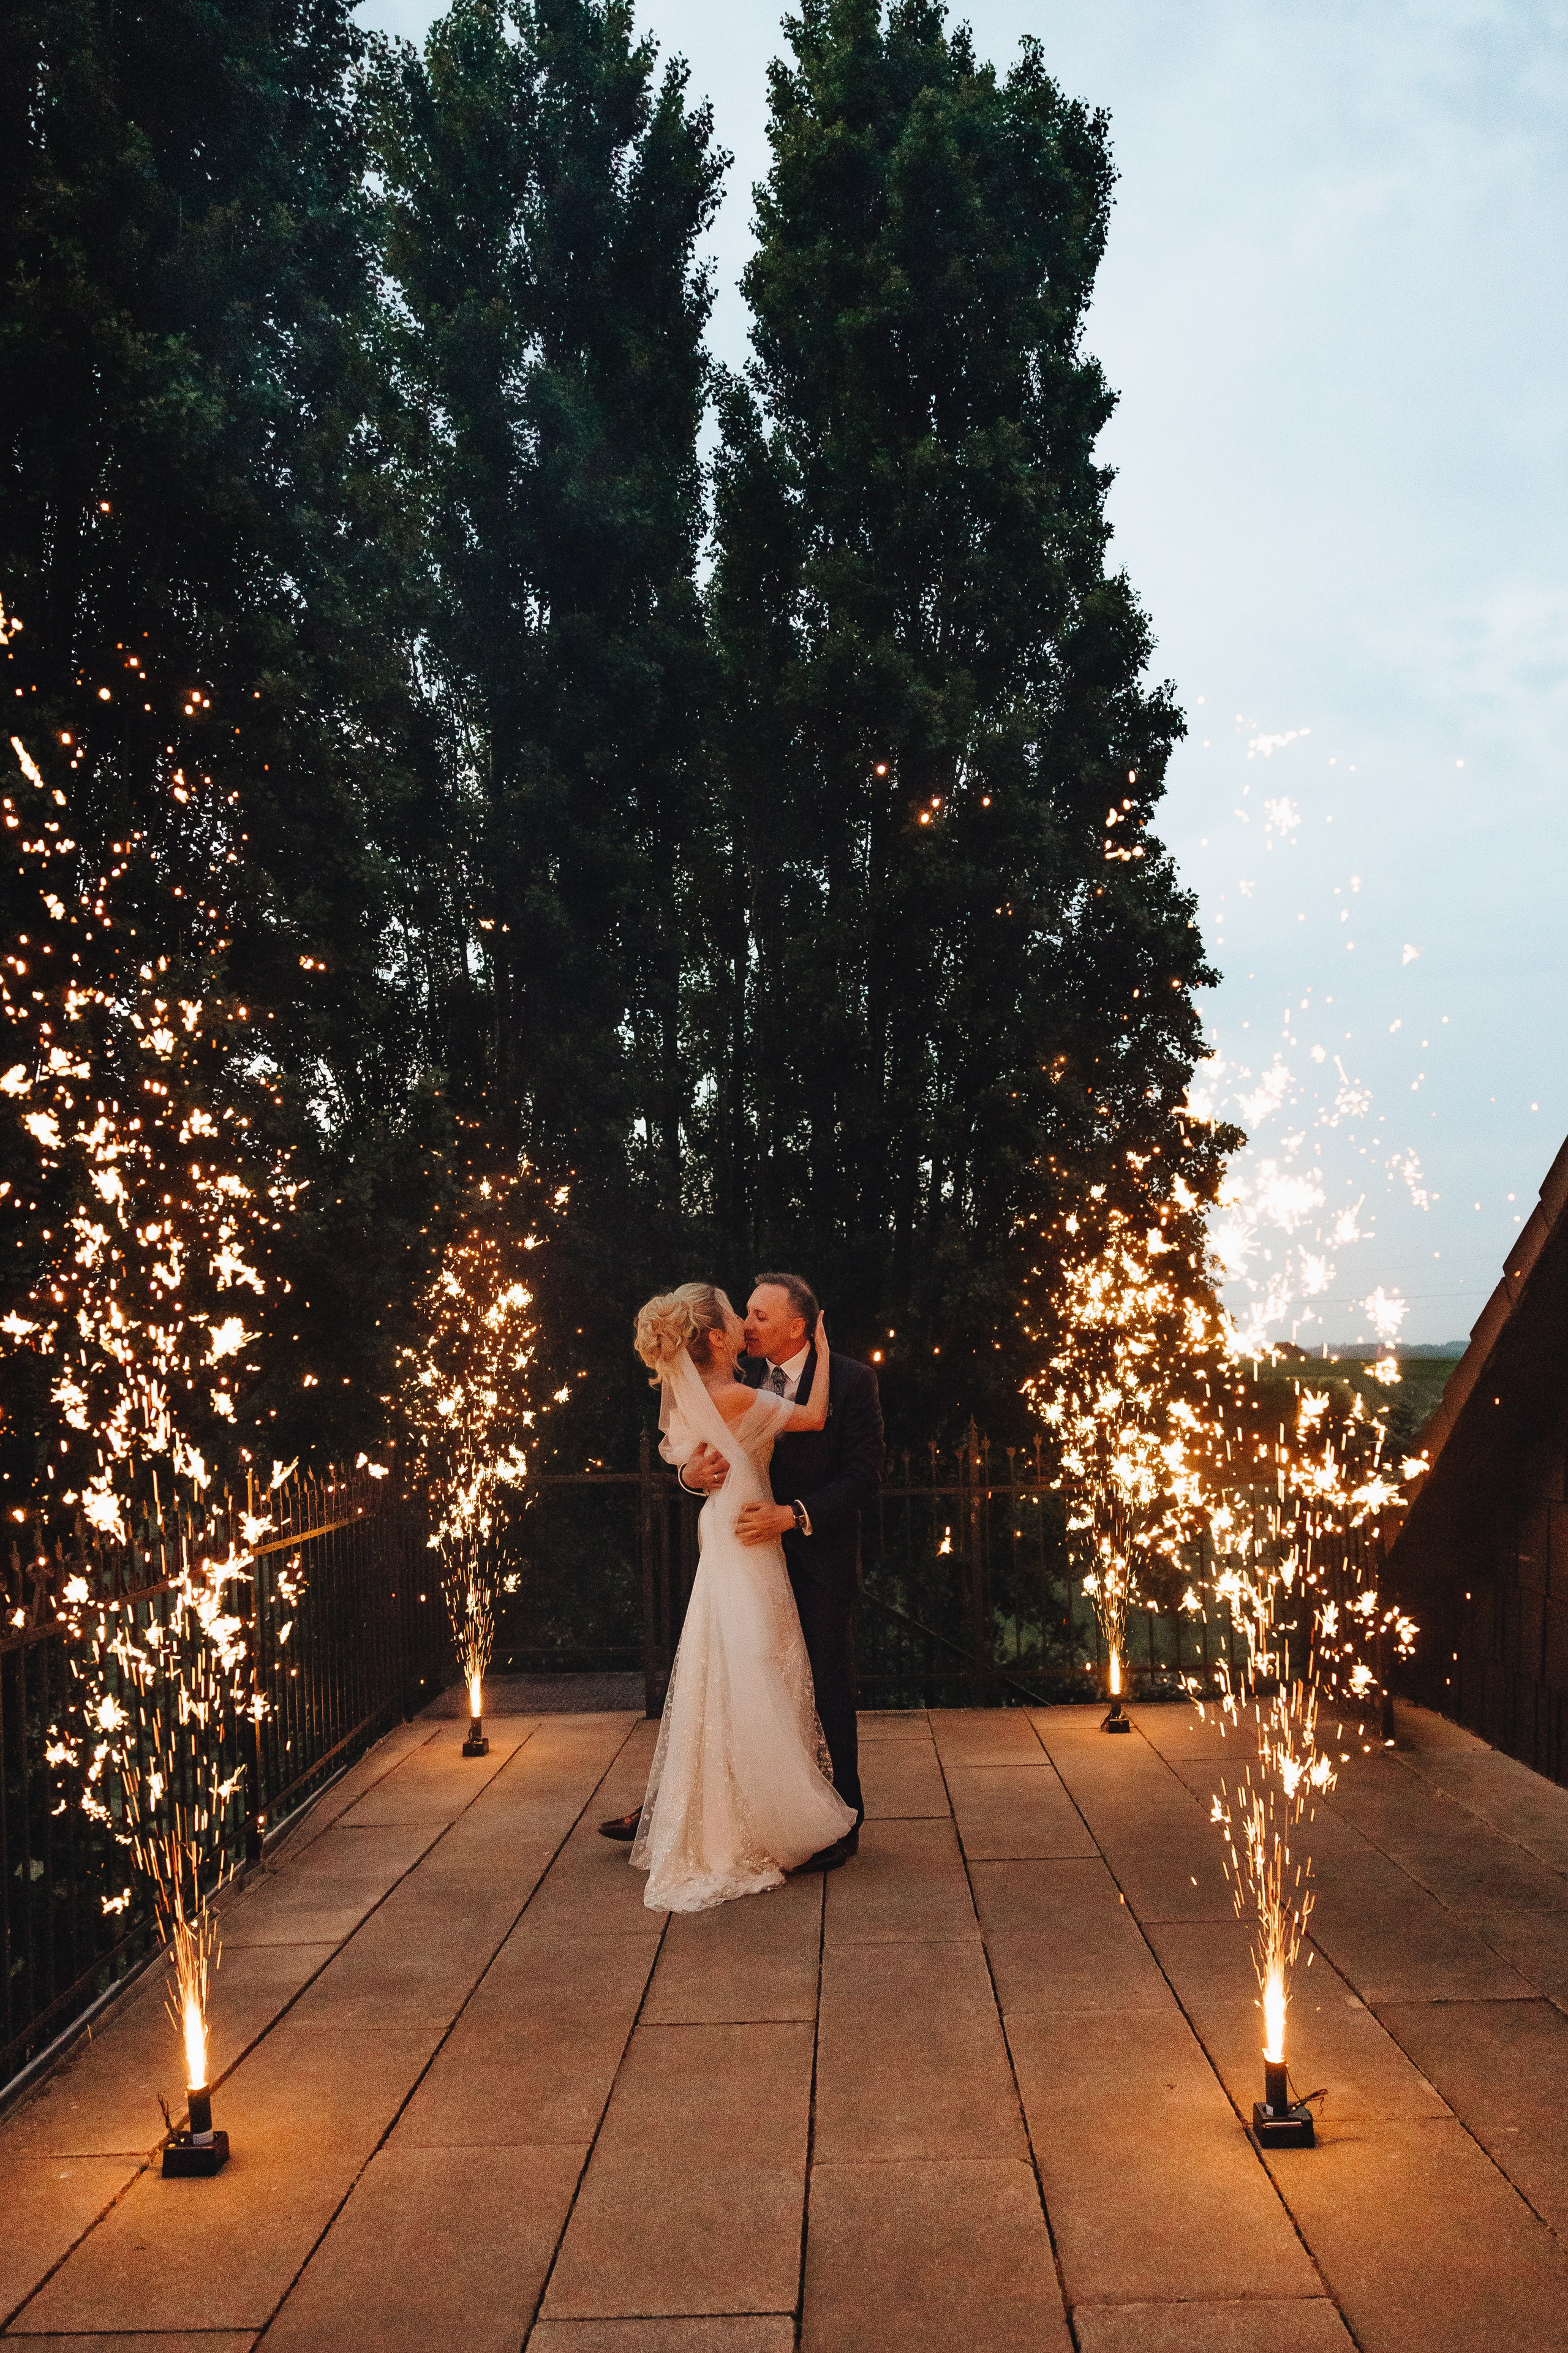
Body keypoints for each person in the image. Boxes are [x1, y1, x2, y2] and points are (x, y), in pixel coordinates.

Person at [600, 1272, 883, 1870]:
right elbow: (698, 1448)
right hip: (748, 1548)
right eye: (743, 1314)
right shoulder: (735, 1377)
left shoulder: (855, 1380)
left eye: (759, 1315)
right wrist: (689, 1476)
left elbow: (863, 1476)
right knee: (734, 1676)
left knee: (822, 1684)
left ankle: (841, 1820)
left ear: (797, 1326)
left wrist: (793, 1515)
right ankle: (682, 1806)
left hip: (813, 1553)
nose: (748, 1324)